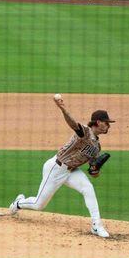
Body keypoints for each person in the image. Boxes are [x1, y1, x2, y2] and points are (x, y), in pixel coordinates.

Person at [9, 95, 113, 238]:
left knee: (88, 188)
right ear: (98, 122)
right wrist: (62, 108)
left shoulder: (97, 146)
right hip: (56, 168)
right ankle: (19, 203)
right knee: (39, 205)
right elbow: (73, 123)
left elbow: (92, 170)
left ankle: (96, 225)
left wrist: (95, 170)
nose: (108, 126)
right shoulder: (85, 132)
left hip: (72, 171)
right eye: (106, 123)